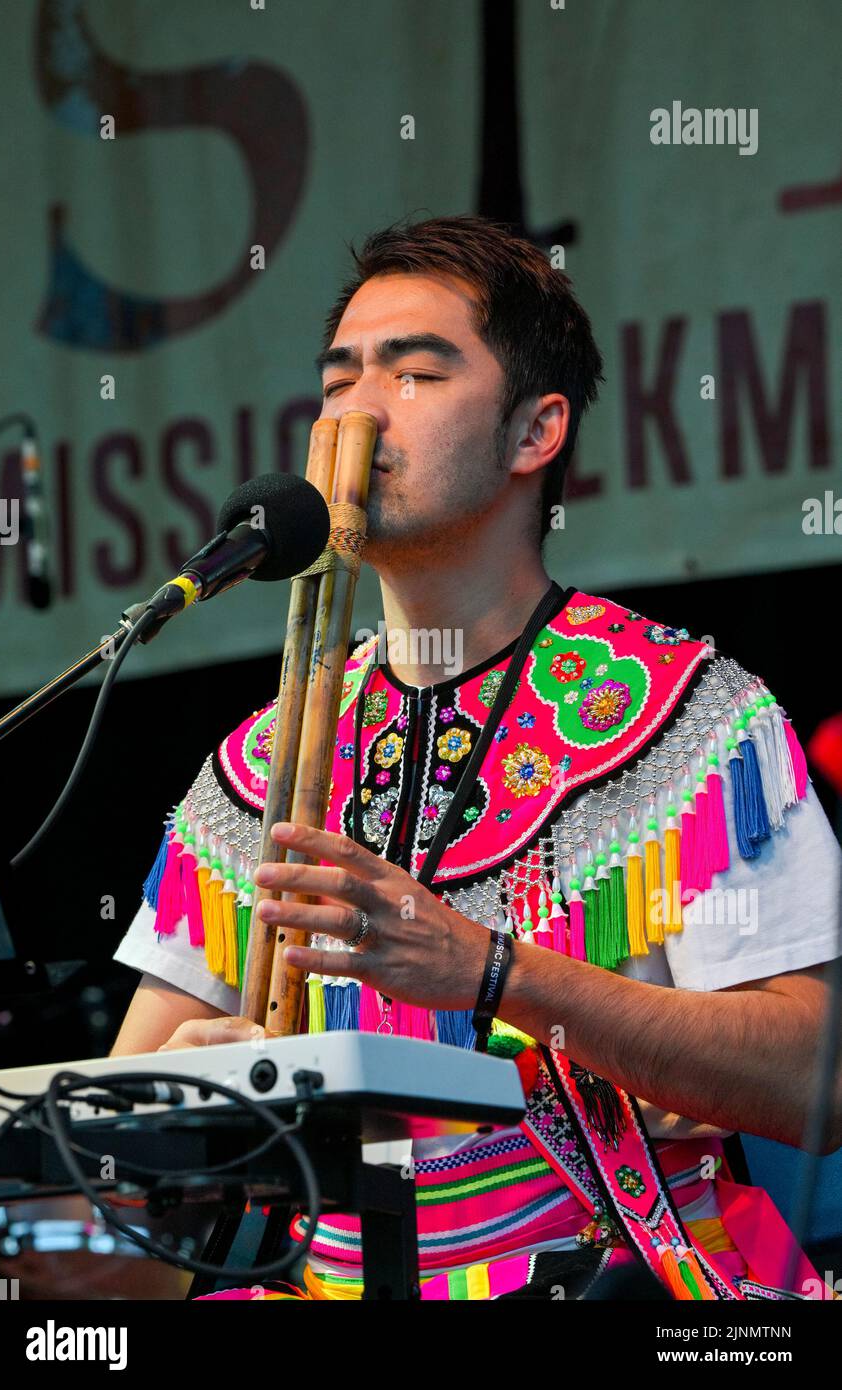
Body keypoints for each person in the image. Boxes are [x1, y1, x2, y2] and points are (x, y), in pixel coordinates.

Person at [112, 215, 842, 1301]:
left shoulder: (688, 715)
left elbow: (815, 1080)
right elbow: (105, 1153)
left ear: (533, 431)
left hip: (612, 1282)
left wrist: (491, 971)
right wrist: (201, 1097)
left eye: (413, 372)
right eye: (339, 375)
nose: (357, 408)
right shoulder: (259, 762)